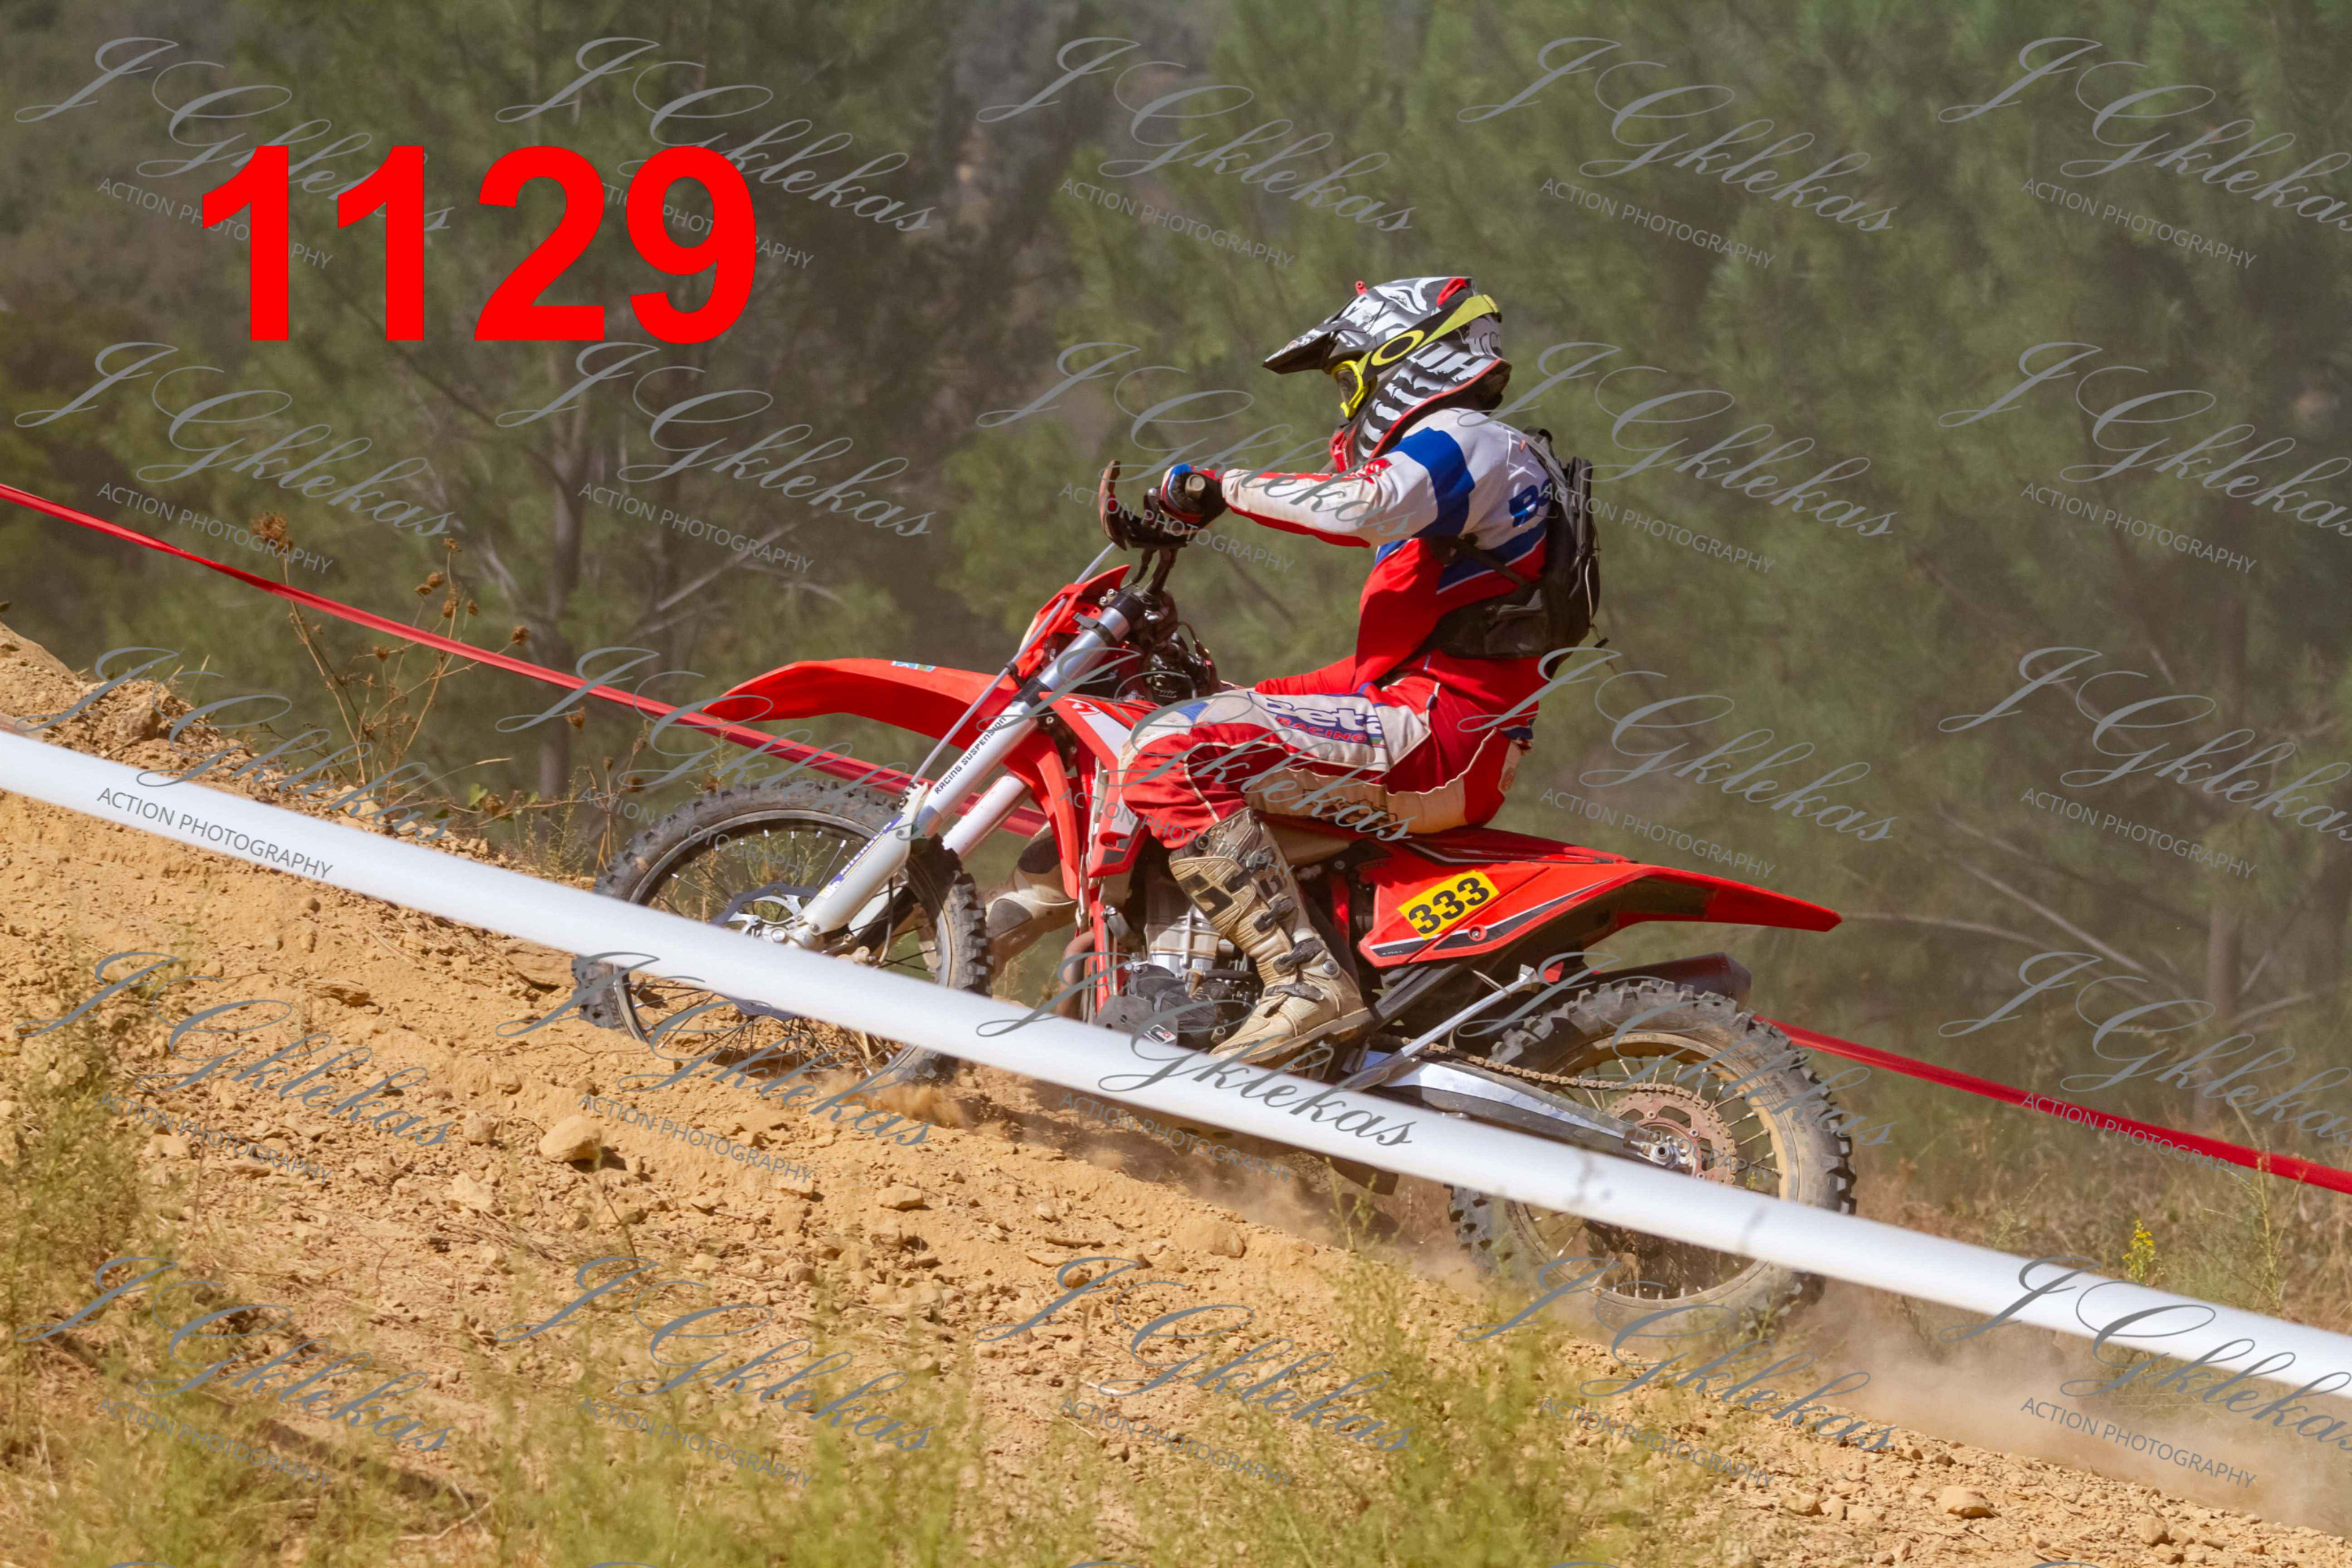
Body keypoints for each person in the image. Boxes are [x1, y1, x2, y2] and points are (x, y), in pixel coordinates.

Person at [991, 274, 1579, 1067]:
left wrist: (1221, 487)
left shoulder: (1466, 438)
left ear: (1403, 358)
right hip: (1434, 724)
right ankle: (1065, 960)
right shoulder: (1473, 470)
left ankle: (1304, 982)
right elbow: (1380, 662)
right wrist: (1235, 696)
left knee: (1169, 755)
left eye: (1348, 379)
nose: (1345, 404)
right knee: (1179, 728)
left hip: (1435, 736)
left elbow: (1362, 505)